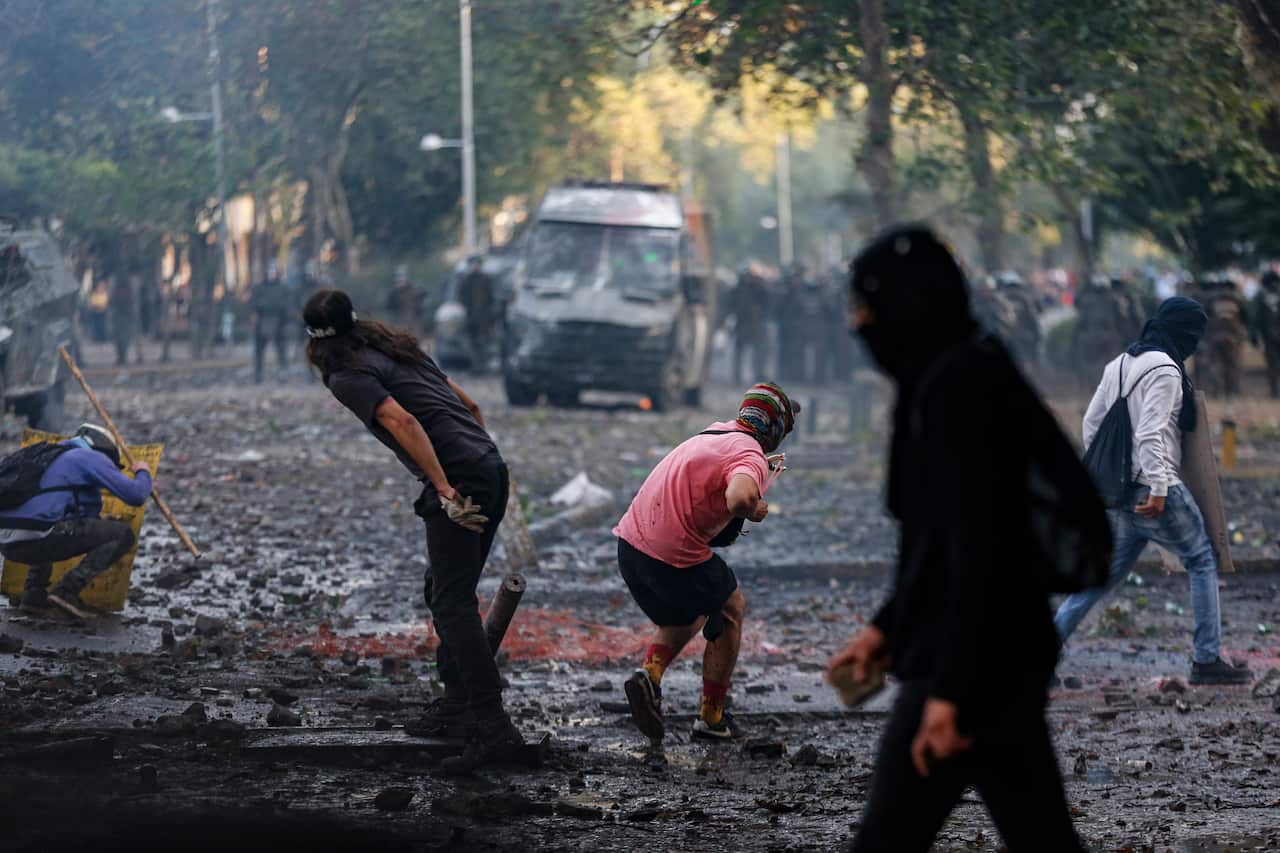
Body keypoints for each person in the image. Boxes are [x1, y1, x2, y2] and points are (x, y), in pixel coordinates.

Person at [829, 226, 1087, 852]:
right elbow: (937, 539)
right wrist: (887, 627)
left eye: (868, 304)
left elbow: (981, 549)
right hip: (995, 655)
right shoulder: (947, 374)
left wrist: (948, 693)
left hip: (974, 660)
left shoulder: (959, 388)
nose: (857, 323)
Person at [303, 288, 523, 774]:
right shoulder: (396, 347)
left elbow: (400, 420)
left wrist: (445, 488)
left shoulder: (347, 375)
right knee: (445, 589)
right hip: (485, 466)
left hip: (460, 478)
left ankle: (491, 726)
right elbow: (471, 407)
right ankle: (458, 703)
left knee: (451, 600)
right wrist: (483, 464)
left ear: (313, 343)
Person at [1054, 297, 1253, 686]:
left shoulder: (1121, 363)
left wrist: (1117, 475)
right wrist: (1158, 486)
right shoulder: (1164, 369)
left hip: (1121, 493)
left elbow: (1092, 424)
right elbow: (1150, 432)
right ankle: (1207, 660)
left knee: (1102, 577)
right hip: (1155, 491)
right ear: (1184, 332)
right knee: (1201, 558)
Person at [616, 382, 797, 743]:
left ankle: (649, 678)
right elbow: (739, 498)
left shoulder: (713, 434)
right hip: (671, 555)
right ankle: (711, 719)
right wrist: (754, 507)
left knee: (689, 612)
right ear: (775, 430)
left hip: (631, 548)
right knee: (730, 607)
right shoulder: (749, 454)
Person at [0, 424, 151, 620]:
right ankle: (66, 592)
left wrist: (98, 523)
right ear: (104, 449)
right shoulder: (87, 457)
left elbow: (61, 512)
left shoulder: (49, 456)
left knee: (46, 523)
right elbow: (136, 494)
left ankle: (33, 597)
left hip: (7, 544)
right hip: (40, 538)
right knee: (123, 534)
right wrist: (143, 472)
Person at [1072, 275, 1132, 388]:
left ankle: (1093, 387)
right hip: (1110, 337)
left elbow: (1081, 321)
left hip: (1090, 338)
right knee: (1113, 364)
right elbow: (1123, 320)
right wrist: (1126, 337)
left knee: (1091, 364)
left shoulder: (1086, 301)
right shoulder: (1115, 300)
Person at [1196, 279, 1249, 397]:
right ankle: (1232, 390)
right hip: (1233, 338)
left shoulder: (1211, 301)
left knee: (1215, 364)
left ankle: (1217, 390)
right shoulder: (1238, 301)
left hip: (1215, 337)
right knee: (1233, 364)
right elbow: (1245, 319)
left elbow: (1205, 318)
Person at [729, 263, 770, 385]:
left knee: (757, 351)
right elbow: (731, 305)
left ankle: (757, 374)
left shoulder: (757, 286)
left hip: (754, 323)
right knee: (741, 351)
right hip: (744, 323)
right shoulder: (738, 289)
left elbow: (766, 300)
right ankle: (738, 377)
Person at [250, 260, 291, 383]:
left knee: (281, 350)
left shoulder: (282, 287)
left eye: (273, 270)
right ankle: (258, 375)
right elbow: (254, 304)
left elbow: (286, 305)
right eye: (269, 270)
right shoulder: (259, 287)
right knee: (259, 350)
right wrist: (256, 316)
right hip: (263, 321)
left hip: (279, 322)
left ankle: (282, 374)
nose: (271, 273)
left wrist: (285, 319)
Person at [458, 255, 495, 373]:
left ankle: (483, 366)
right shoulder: (467, 279)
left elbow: (491, 297)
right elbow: (462, 296)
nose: (476, 266)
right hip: (471, 317)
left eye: (477, 264)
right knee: (472, 343)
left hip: (484, 318)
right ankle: (475, 367)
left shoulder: (486, 279)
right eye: (474, 264)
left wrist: (491, 314)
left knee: (483, 342)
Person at [1251, 270, 1280, 398]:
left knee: (1272, 363)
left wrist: (1254, 336)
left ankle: (1274, 390)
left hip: (1269, 336)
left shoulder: (1260, 295)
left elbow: (1255, 316)